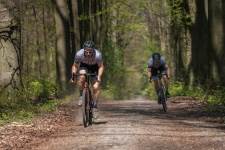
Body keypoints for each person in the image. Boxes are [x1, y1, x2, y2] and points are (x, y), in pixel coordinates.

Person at [71, 41, 104, 116]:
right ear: (84, 50)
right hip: (84, 66)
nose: (88, 54)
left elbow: (101, 66)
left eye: (90, 52)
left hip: (95, 67)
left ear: (93, 50)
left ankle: (95, 105)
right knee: (81, 78)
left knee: (96, 87)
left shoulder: (98, 55)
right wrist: (73, 76)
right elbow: (75, 66)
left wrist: (99, 76)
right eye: (86, 52)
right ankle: (81, 96)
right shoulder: (79, 54)